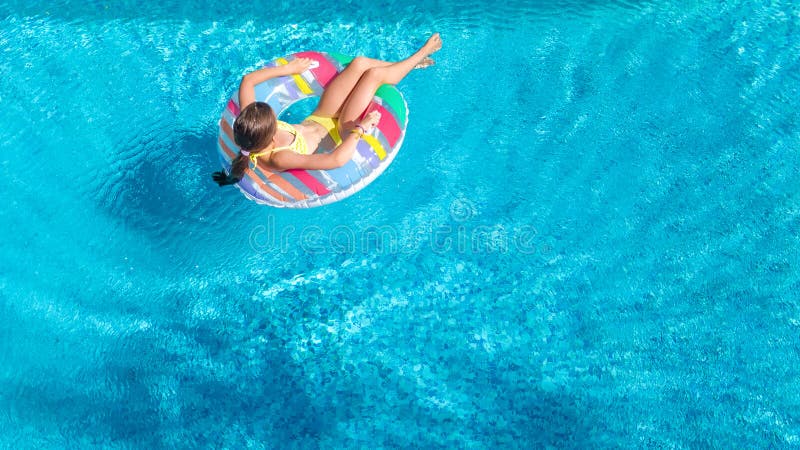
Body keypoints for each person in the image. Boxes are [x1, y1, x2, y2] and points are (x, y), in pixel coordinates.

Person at [212, 33, 443, 186]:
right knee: (374, 76)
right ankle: (420, 54)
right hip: (340, 132)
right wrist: (360, 129)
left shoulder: (250, 125)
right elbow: (335, 160)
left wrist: (288, 69)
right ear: (272, 136)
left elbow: (248, 80)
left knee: (360, 63)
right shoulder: (279, 157)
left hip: (321, 116)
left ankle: (408, 65)